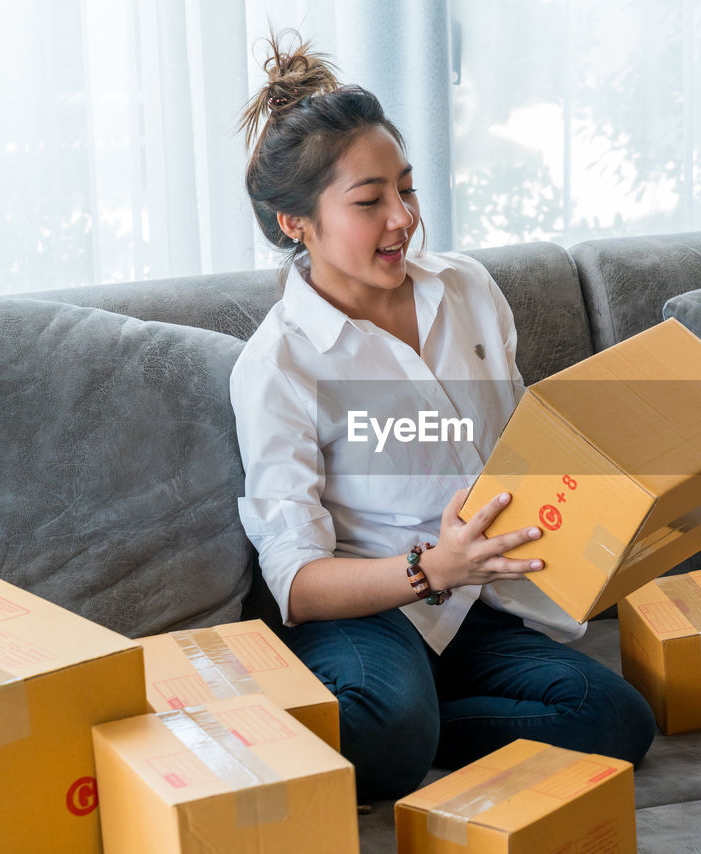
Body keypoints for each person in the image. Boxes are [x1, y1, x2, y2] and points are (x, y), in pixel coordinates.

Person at [231, 32, 655, 801]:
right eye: (369, 202)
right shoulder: (279, 366)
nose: (402, 218)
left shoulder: (467, 291)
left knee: (615, 721)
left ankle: (423, 724)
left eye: (408, 188)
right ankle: (397, 724)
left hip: (478, 606)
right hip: (367, 614)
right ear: (297, 224)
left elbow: (527, 447)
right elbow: (295, 581)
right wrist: (432, 569)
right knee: (387, 736)